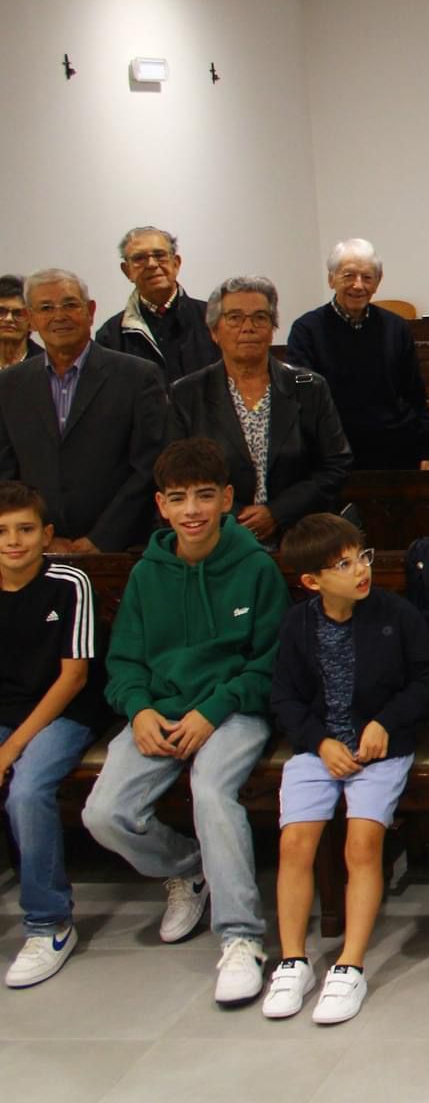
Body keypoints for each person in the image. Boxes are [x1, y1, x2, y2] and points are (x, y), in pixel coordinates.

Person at [82, 439, 287, 1006]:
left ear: (226, 499)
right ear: (161, 506)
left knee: (211, 792)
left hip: (232, 711)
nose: (192, 509)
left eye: (203, 496)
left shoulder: (256, 568)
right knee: (105, 813)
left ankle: (242, 937)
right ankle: (190, 869)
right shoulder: (148, 574)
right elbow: (124, 661)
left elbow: (268, 664)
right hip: (158, 710)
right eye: (178, 498)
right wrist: (139, 708)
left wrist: (211, 711)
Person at [263, 514, 429, 1023]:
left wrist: (386, 721)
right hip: (318, 749)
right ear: (311, 582)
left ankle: (350, 965)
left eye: (361, 556)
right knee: (295, 842)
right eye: (343, 565)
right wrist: (318, 742)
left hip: (379, 750)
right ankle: (293, 959)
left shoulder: (396, 613)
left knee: (362, 842)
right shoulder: (298, 625)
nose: (361, 570)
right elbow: (285, 697)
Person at [0, 482, 99, 989]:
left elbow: (73, 678)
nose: (13, 541)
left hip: (62, 714)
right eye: (2, 531)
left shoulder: (68, 582)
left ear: (47, 535)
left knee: (26, 789)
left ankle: (48, 922)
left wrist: (13, 746)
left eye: (24, 529)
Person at [171, 277, 352, 545]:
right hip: (217, 537)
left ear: (272, 328)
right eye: (234, 318)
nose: (248, 327)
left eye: (260, 317)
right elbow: (178, 474)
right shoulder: (186, 394)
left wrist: (277, 513)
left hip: (301, 536)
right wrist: (234, 517)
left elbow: (336, 465)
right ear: (214, 331)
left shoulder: (309, 387)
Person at [0, 269, 169, 553]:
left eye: (69, 305)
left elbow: (149, 466)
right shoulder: (9, 384)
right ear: (30, 319)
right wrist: (41, 536)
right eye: (46, 308)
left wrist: (99, 540)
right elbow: (6, 472)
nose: (59, 316)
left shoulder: (137, 376)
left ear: (90, 311)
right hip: (36, 552)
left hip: (119, 549)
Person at [285, 241, 429, 471]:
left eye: (367, 277)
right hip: (332, 456)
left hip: (394, 453)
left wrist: (426, 453)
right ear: (331, 279)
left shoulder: (397, 328)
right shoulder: (306, 330)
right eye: (348, 276)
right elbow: (303, 401)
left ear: (378, 282)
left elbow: (415, 395)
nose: (358, 286)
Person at [94, 227, 218, 383]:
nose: (152, 264)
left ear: (176, 263)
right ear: (127, 271)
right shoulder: (111, 336)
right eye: (139, 258)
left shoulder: (214, 319)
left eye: (159, 255)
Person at [0, 274, 40, 367]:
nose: (9, 319)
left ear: (32, 321)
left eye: (19, 313)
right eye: (1, 312)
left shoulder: (48, 366)